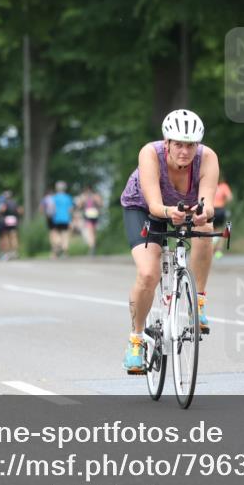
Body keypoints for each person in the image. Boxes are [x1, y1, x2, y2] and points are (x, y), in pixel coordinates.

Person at [119, 109, 220, 374]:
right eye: (178, 144)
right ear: (167, 143)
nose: (185, 151)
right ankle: (136, 340)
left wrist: (202, 213)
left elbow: (208, 201)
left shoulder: (207, 157)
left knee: (207, 227)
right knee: (148, 273)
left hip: (183, 208)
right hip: (144, 208)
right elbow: (153, 204)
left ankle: (197, 303)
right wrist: (169, 213)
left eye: (190, 145)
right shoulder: (150, 153)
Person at [76, 186, 103, 256]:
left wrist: (82, 201)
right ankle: (93, 246)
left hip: (88, 215)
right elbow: (100, 204)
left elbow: (79, 206)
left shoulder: (84, 197)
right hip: (95, 214)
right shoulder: (96, 196)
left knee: (91, 231)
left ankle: (92, 246)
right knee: (93, 231)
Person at [50, 181, 74, 258]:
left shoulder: (54, 198)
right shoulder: (68, 197)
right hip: (66, 219)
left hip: (56, 219)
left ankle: (59, 244)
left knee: (56, 234)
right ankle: (65, 251)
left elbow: (52, 208)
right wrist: (70, 218)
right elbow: (70, 209)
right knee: (65, 234)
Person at [0, 191, 21, 260]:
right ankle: (15, 252)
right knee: (14, 235)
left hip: (7, 219)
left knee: (6, 236)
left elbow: (3, 210)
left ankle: (8, 252)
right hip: (14, 219)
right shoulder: (15, 202)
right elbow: (19, 211)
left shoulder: (4, 203)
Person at [212, 176, 233, 259]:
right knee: (220, 230)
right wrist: (223, 202)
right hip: (221, 210)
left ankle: (211, 249)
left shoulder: (211, 186)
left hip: (212, 210)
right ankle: (218, 251)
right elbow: (230, 198)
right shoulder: (224, 186)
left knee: (211, 230)